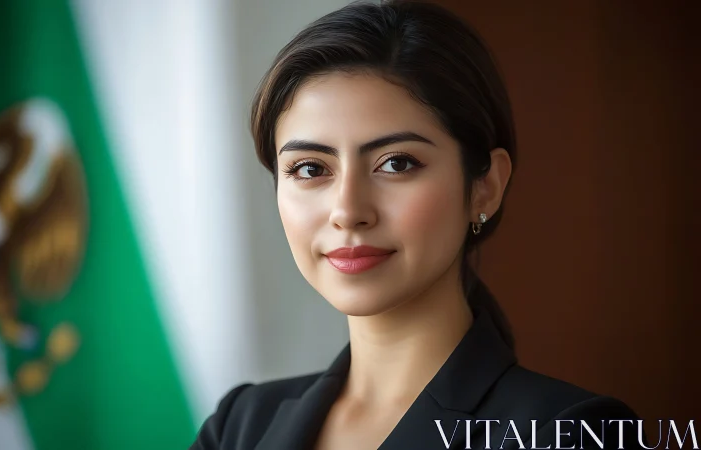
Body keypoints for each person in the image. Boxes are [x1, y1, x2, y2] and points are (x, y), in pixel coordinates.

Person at [191, 1, 644, 449]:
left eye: (397, 163)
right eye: (310, 169)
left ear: (485, 186)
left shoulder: (574, 433)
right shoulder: (239, 427)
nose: (348, 211)